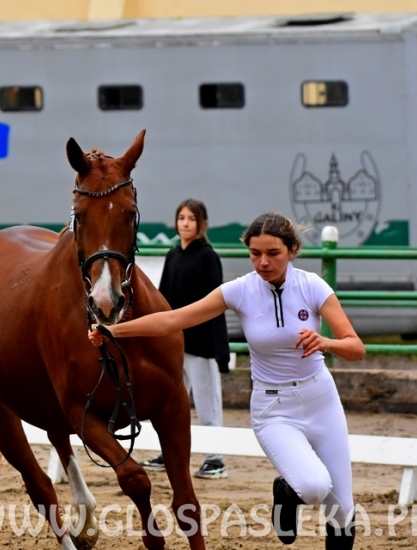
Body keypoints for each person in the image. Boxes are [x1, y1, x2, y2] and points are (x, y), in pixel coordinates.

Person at [89, 212, 363, 550]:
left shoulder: (313, 286)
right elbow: (172, 320)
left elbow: (355, 348)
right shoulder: (240, 290)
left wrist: (326, 343)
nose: (263, 262)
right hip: (274, 408)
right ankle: (286, 490)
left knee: (342, 510)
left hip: (321, 400)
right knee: (313, 487)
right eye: (255, 254)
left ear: (292, 250)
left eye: (273, 253)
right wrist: (113, 330)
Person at [139, 199, 231, 480]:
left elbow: (216, 304)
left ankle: (215, 459)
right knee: (169, 403)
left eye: (191, 218)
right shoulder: (173, 255)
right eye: (181, 218)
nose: (185, 223)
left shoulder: (208, 256)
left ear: (203, 223)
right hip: (175, 345)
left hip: (202, 346)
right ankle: (168, 453)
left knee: (207, 404)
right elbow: (163, 297)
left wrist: (219, 349)